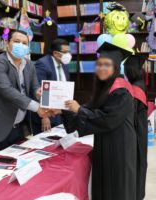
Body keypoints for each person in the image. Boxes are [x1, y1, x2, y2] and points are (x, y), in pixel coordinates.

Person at [61, 42, 137, 200]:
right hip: (105, 141)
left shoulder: (121, 90)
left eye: (107, 65)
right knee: (104, 184)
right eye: (99, 64)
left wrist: (79, 110)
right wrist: (65, 107)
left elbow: (107, 119)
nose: (101, 68)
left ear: (116, 67)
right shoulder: (104, 88)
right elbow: (88, 110)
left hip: (119, 146)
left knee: (116, 187)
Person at [0, 30, 49, 152]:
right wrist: (37, 107)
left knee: (17, 164)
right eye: (17, 41)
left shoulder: (29, 64)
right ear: (7, 43)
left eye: (24, 43)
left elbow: (35, 86)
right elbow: (7, 90)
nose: (21, 45)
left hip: (19, 126)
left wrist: (38, 92)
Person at [31, 38, 71, 134]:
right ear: (56, 53)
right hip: (46, 114)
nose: (68, 55)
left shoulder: (64, 64)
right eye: (65, 52)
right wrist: (44, 117)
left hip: (61, 112)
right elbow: (39, 91)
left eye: (68, 51)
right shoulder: (42, 64)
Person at [125, 55, 148, 200]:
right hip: (141, 130)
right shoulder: (139, 84)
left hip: (137, 131)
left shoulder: (136, 88)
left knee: (137, 162)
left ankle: (137, 194)